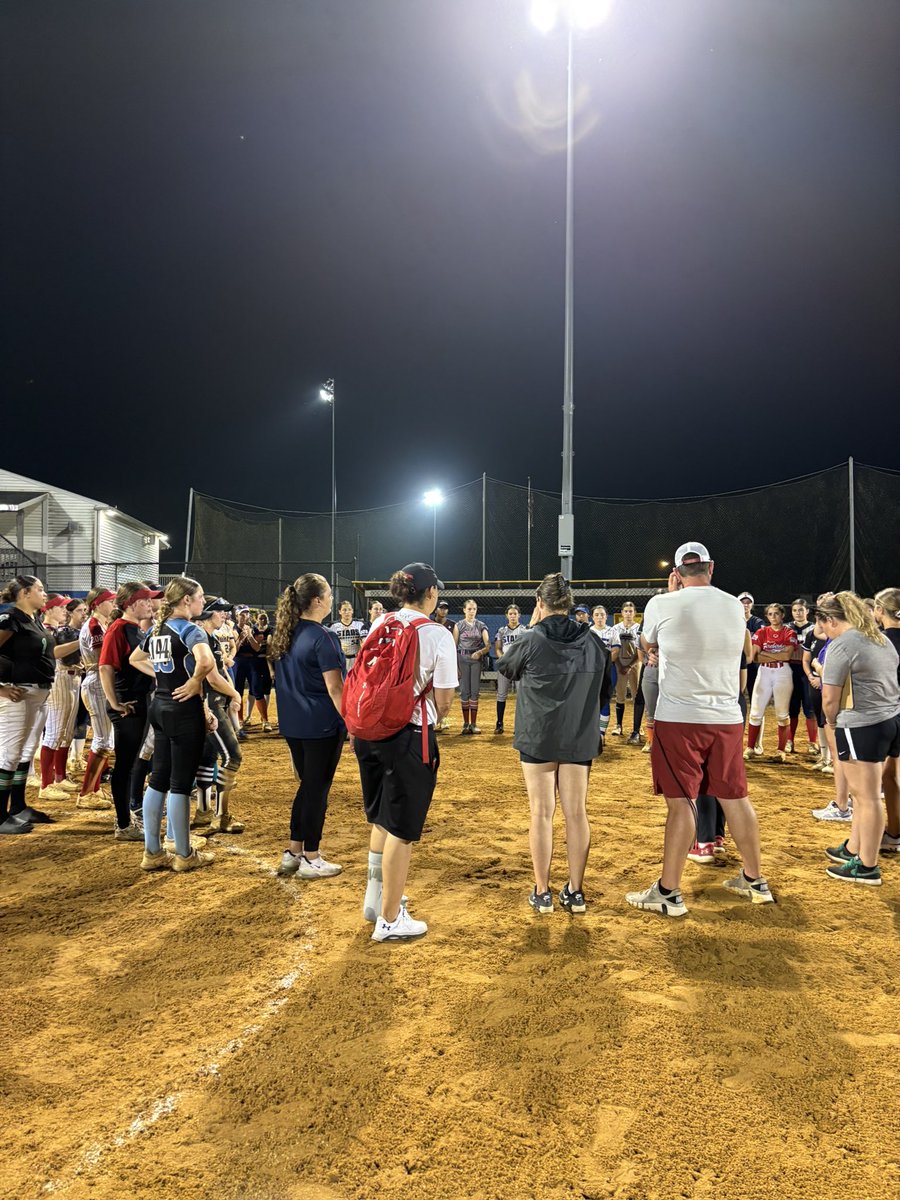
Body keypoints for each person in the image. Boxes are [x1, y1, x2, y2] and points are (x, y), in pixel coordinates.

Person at [626, 542, 775, 917]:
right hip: (726, 716)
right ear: (711, 567)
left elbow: (647, 643)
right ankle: (755, 880)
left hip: (680, 717)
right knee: (735, 797)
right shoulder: (732, 605)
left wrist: (671, 595)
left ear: (676, 572)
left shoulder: (662, 602)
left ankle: (668, 892)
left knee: (682, 803)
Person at [352, 563, 457, 941]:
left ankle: (376, 898)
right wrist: (436, 716)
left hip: (367, 731)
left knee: (381, 816)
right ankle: (391, 919)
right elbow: (444, 699)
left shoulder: (382, 622)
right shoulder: (436, 633)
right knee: (402, 828)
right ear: (429, 594)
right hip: (409, 735)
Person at [498, 573, 610, 915]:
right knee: (576, 813)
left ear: (540, 603)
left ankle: (543, 892)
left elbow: (505, 666)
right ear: (570, 603)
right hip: (579, 737)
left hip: (539, 736)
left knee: (541, 813)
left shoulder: (531, 640)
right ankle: (576, 892)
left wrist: (533, 626)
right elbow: (604, 693)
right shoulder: (593, 642)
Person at [129, 577, 216, 872]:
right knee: (180, 783)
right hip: (183, 710)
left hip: (160, 705)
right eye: (200, 596)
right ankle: (183, 853)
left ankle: (152, 852)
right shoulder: (191, 630)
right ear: (186, 600)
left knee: (159, 778)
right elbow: (206, 662)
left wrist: (163, 679)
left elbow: (135, 658)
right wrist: (193, 682)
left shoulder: (158, 629)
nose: (203, 602)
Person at [817, 592, 900, 886]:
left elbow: (830, 699)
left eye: (823, 624)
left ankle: (867, 866)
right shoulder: (880, 638)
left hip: (861, 724)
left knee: (866, 798)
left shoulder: (842, 645)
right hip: (889, 720)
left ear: (830, 619)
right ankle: (854, 848)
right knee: (863, 795)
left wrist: (831, 721)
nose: (823, 631)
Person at [271, 573, 345, 880]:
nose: (331, 599)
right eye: (328, 594)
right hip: (322, 725)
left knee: (308, 786)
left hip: (294, 724)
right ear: (316, 600)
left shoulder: (285, 632)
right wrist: (352, 724)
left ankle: (293, 852)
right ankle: (311, 857)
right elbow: (336, 688)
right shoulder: (322, 636)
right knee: (317, 789)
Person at [98, 582, 156, 841]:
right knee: (125, 765)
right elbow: (105, 668)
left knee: (131, 763)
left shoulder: (134, 629)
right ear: (132, 603)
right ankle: (123, 824)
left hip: (138, 701)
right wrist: (115, 703)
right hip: (127, 704)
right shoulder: (118, 629)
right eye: (146, 600)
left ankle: (126, 819)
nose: (151, 605)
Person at [0, 575, 56, 834]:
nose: (44, 594)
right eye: (40, 589)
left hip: (38, 693)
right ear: (24, 593)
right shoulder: (10, 618)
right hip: (17, 693)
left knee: (24, 752)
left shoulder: (31, 620)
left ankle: (18, 807)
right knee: (9, 754)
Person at [193, 596, 245, 835]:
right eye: (220, 612)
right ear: (206, 614)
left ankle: (203, 811)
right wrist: (235, 694)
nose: (224, 616)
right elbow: (213, 678)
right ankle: (221, 816)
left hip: (208, 703)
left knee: (207, 757)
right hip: (211, 703)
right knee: (232, 756)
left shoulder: (205, 636)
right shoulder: (201, 637)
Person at [36, 594, 83, 802]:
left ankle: (60, 776)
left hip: (72, 677)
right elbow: (54, 653)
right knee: (54, 732)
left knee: (66, 733)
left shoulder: (59, 630)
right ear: (48, 609)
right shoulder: (46, 629)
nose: (64, 610)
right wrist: (80, 641)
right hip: (58, 680)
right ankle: (46, 785)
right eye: (60, 607)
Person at [76, 587, 117, 809]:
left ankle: (93, 788)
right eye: (110, 601)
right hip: (96, 680)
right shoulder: (93, 625)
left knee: (105, 740)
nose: (113, 605)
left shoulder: (99, 624)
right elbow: (104, 655)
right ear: (98, 604)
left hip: (98, 680)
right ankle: (86, 793)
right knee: (102, 741)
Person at [745, 604, 798, 762]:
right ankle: (750, 747)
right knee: (755, 712)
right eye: (770, 614)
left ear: (782, 615)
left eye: (776, 614)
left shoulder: (789, 632)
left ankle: (781, 750)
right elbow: (755, 657)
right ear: (767, 616)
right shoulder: (762, 632)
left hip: (783, 672)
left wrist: (766, 654)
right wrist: (777, 655)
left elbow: (787, 656)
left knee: (782, 713)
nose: (773, 617)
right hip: (765, 672)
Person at [873, 587, 900, 854]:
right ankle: (893, 832)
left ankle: (893, 833)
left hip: (890, 712)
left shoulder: (880, 642)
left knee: (888, 776)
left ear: (881, 611)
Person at [786, 599, 819, 755]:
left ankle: (813, 743)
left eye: (801, 610)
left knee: (809, 707)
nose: (798, 613)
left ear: (807, 611)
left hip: (807, 671)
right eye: (794, 610)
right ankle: (789, 741)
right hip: (790, 669)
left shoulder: (814, 629)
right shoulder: (787, 628)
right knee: (791, 707)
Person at [453, 599, 490, 734]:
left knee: (474, 692)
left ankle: (473, 724)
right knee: (464, 691)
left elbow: (488, 645)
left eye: (474, 609)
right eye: (469, 609)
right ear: (464, 610)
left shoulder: (481, 625)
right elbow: (453, 646)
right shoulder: (459, 625)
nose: (472, 611)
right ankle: (465, 723)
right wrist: (455, 666)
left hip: (475, 660)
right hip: (462, 659)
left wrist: (480, 652)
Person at [609, 601, 642, 739]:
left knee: (637, 696)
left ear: (635, 613)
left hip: (635, 665)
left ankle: (638, 728)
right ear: (621, 613)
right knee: (620, 696)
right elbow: (613, 649)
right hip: (619, 665)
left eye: (631, 611)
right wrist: (619, 665)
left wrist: (630, 665)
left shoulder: (639, 628)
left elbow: (641, 651)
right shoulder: (615, 628)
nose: (628, 614)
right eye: (626, 611)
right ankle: (618, 725)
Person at [493, 604, 528, 733]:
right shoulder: (501, 631)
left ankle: (520, 724)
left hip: (519, 666)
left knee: (521, 696)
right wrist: (503, 660)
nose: (513, 616)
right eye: (510, 614)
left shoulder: (524, 630)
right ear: (506, 615)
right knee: (501, 694)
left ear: (519, 615)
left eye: (515, 613)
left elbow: (526, 649)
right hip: (505, 666)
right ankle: (499, 723)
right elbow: (497, 648)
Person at [590, 605, 615, 736]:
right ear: (592, 617)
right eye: (597, 615)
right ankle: (591, 731)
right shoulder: (588, 631)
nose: (600, 617)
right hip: (591, 670)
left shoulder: (612, 631)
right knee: (590, 700)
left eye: (602, 615)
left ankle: (601, 734)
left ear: (606, 616)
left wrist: (606, 662)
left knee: (605, 698)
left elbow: (615, 651)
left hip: (608, 669)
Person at [330, 600, 365, 675]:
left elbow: (364, 641)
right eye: (344, 610)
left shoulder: (359, 624)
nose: (347, 612)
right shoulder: (334, 627)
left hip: (356, 658)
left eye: (349, 609)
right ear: (340, 611)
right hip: (342, 659)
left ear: (352, 611)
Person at [253, 611, 274, 731]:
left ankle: (264, 718)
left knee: (267, 689)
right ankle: (262, 719)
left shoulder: (270, 630)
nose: (262, 620)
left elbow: (270, 646)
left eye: (265, 618)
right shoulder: (253, 630)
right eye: (260, 618)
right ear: (257, 619)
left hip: (267, 661)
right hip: (255, 662)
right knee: (256, 689)